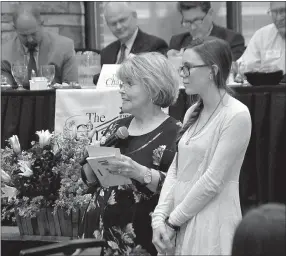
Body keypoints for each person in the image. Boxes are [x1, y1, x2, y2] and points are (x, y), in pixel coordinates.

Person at [152, 37, 252, 255]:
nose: (182, 75)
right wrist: (159, 218)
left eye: (188, 68)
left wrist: (172, 222)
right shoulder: (192, 111)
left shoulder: (237, 115)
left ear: (212, 71)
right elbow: (176, 170)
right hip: (181, 220)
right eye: (181, 68)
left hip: (212, 224)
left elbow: (213, 181)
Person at [78, 52, 181, 256]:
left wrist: (138, 171)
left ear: (153, 87)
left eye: (128, 84)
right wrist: (91, 160)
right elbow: (88, 181)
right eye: (121, 84)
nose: (121, 90)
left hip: (141, 240)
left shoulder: (176, 133)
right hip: (98, 236)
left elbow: (179, 188)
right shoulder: (118, 126)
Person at [1, 3, 78, 89]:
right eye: (24, 36)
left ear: (42, 24)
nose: (30, 39)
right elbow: (5, 92)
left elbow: (73, 88)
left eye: (33, 34)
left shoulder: (64, 48)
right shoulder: (4, 55)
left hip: (54, 101)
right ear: (15, 29)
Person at [93, 2, 168, 85]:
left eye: (122, 20)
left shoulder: (155, 46)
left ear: (134, 16)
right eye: (113, 24)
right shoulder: (106, 53)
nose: (119, 27)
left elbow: (157, 83)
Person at [170, 2, 245, 61]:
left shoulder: (232, 40)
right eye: (187, 22)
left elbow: (229, 71)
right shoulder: (177, 42)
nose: (193, 27)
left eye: (197, 20)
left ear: (210, 13)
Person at [237, 2, 285, 75]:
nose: (278, 18)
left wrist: (280, 73)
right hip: (268, 85)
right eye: (274, 12)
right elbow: (242, 67)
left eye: (283, 11)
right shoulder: (262, 35)